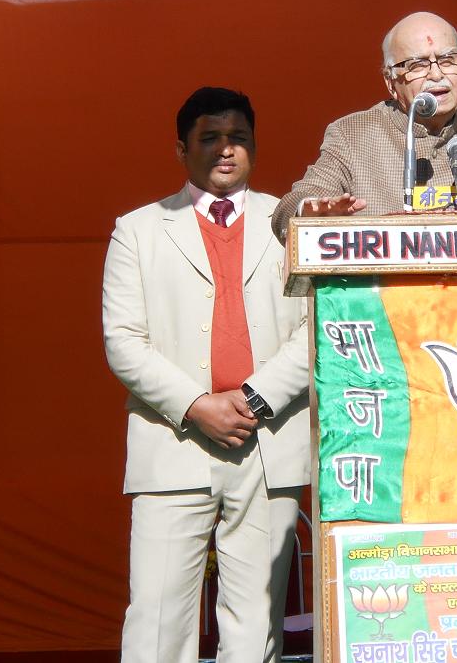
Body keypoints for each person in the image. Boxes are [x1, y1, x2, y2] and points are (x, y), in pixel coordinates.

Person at [102, 87, 310, 663]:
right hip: (173, 442)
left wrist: (252, 400)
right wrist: (198, 405)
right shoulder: (138, 229)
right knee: (158, 620)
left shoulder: (293, 222)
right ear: (181, 148)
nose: (226, 150)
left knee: (256, 624)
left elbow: (314, 329)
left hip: (266, 443)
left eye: (238, 138)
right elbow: (123, 342)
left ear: (254, 146)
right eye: (210, 138)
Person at [270, 10, 457, 240]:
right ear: (390, 82)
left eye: (447, 60)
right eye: (417, 65)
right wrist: (309, 211)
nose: (436, 74)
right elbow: (293, 206)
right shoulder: (353, 135)